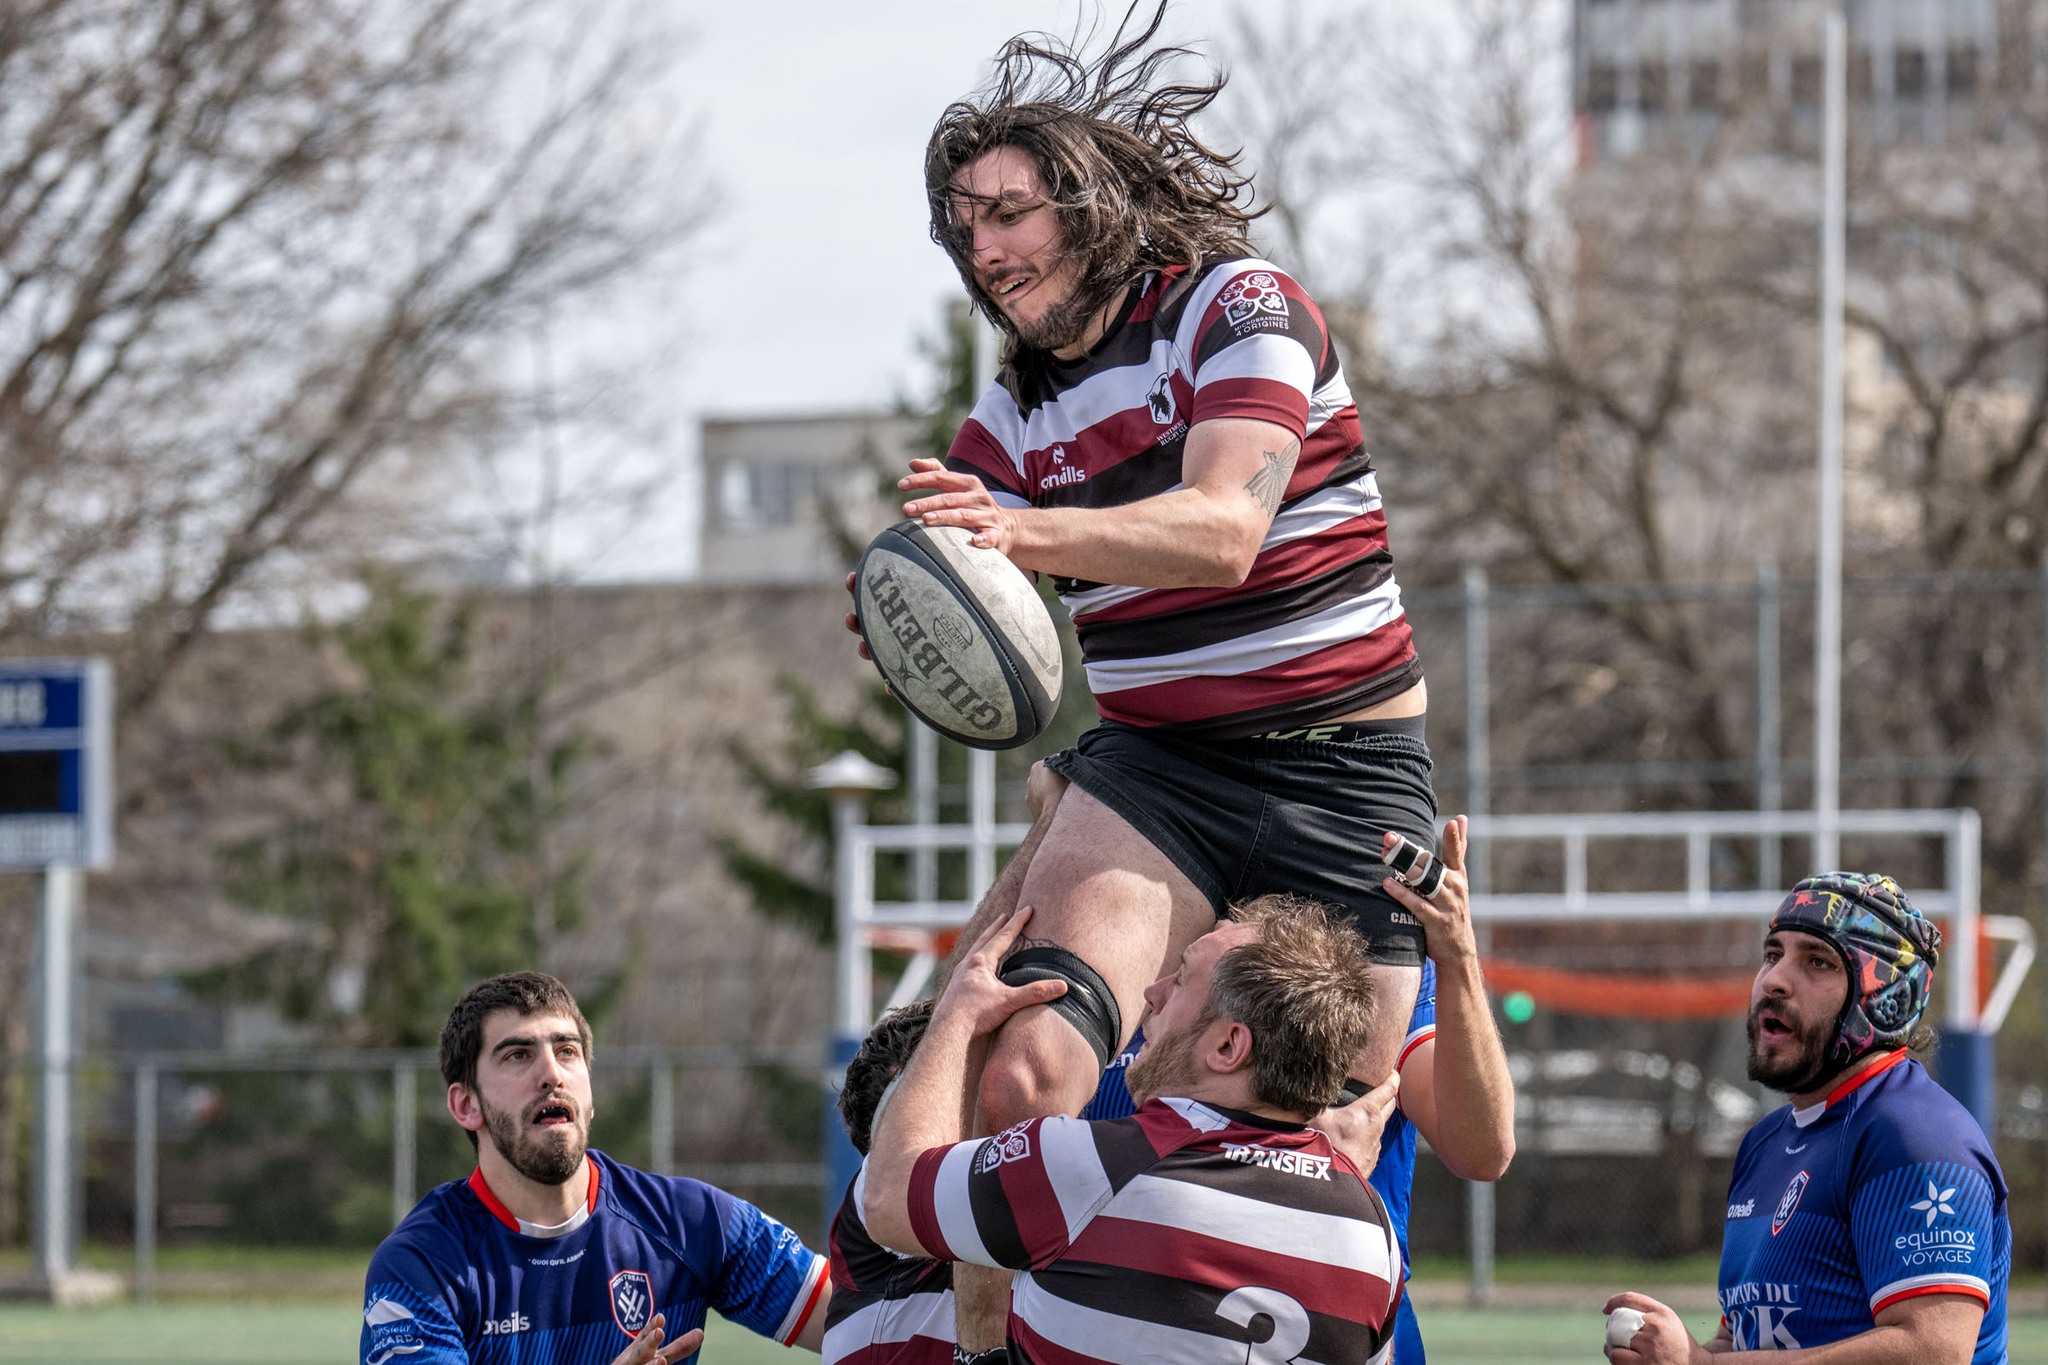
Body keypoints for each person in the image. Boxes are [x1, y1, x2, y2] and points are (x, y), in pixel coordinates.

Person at [843, 12, 1439, 1345]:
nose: (985, 248)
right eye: (963, 228)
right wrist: (911, 608)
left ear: (1089, 200)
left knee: (1337, 1122)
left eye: (1007, 211)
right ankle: (996, 1344)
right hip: (1163, 767)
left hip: (1348, 770)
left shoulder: (1241, 309)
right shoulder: (1008, 420)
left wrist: (1010, 535)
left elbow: (1222, 530)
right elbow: (964, 588)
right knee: (1020, 1070)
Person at [859, 897, 1406, 1365]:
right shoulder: (1371, 1235)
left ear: (1227, 1047)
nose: (1153, 990)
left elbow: (887, 1197)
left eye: (1183, 977)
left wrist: (957, 1015)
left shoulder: (1089, 1167)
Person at [1083, 813, 1513, 1365]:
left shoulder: (1357, 976)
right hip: (1125, 1296)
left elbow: (1482, 1148)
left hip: (1327, 1311)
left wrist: (1456, 954)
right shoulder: (1132, 951)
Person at [1607, 874, 2010, 1365]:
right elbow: (1746, 1346)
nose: (1774, 979)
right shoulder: (1765, 1142)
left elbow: (1931, 1351)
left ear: (1884, 999)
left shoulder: (1915, 1136)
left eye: (1817, 962)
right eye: (1773, 954)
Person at [361, 972, 831, 1365]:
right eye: (517, 1055)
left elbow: (864, 1323)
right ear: (467, 1105)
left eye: (567, 1051)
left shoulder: (693, 1222)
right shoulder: (421, 1265)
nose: (552, 1073)